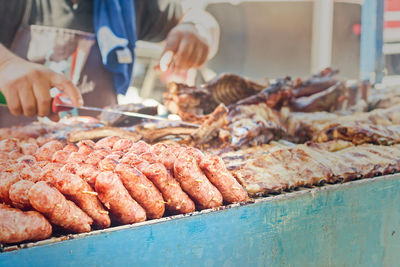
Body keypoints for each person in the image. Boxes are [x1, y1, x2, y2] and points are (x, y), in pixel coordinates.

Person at [0, 0, 219, 126]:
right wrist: (5, 64)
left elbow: (199, 17)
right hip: (14, 161)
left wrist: (197, 28)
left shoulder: (128, 5)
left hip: (99, 164)